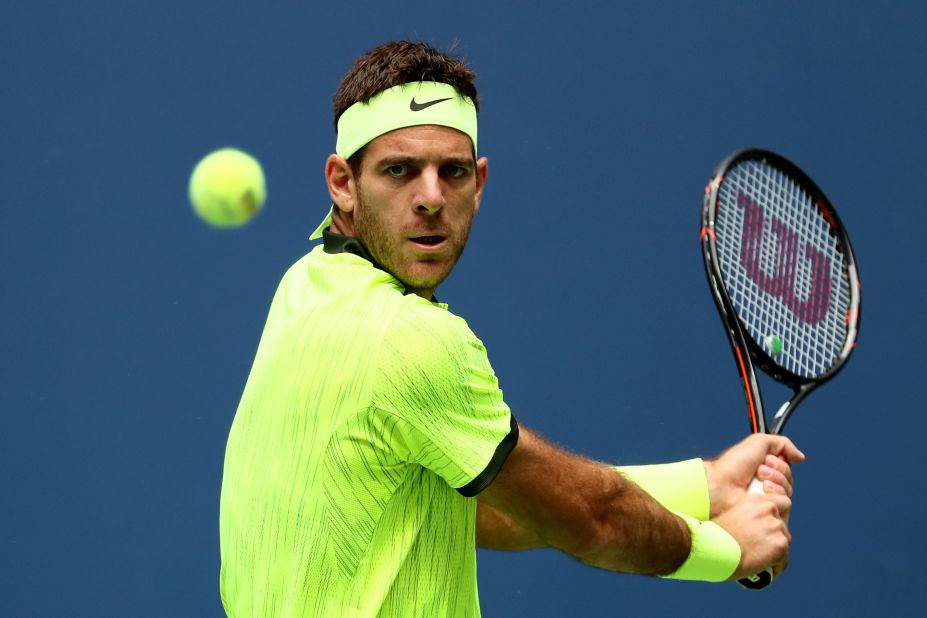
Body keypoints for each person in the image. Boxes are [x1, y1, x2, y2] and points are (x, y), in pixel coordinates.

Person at [218, 40, 804, 617]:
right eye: (399, 171)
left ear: (480, 183)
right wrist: (728, 550)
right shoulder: (412, 340)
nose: (430, 198)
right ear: (343, 182)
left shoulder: (306, 288)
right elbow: (591, 522)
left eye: (451, 173)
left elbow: (479, 504)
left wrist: (703, 487)